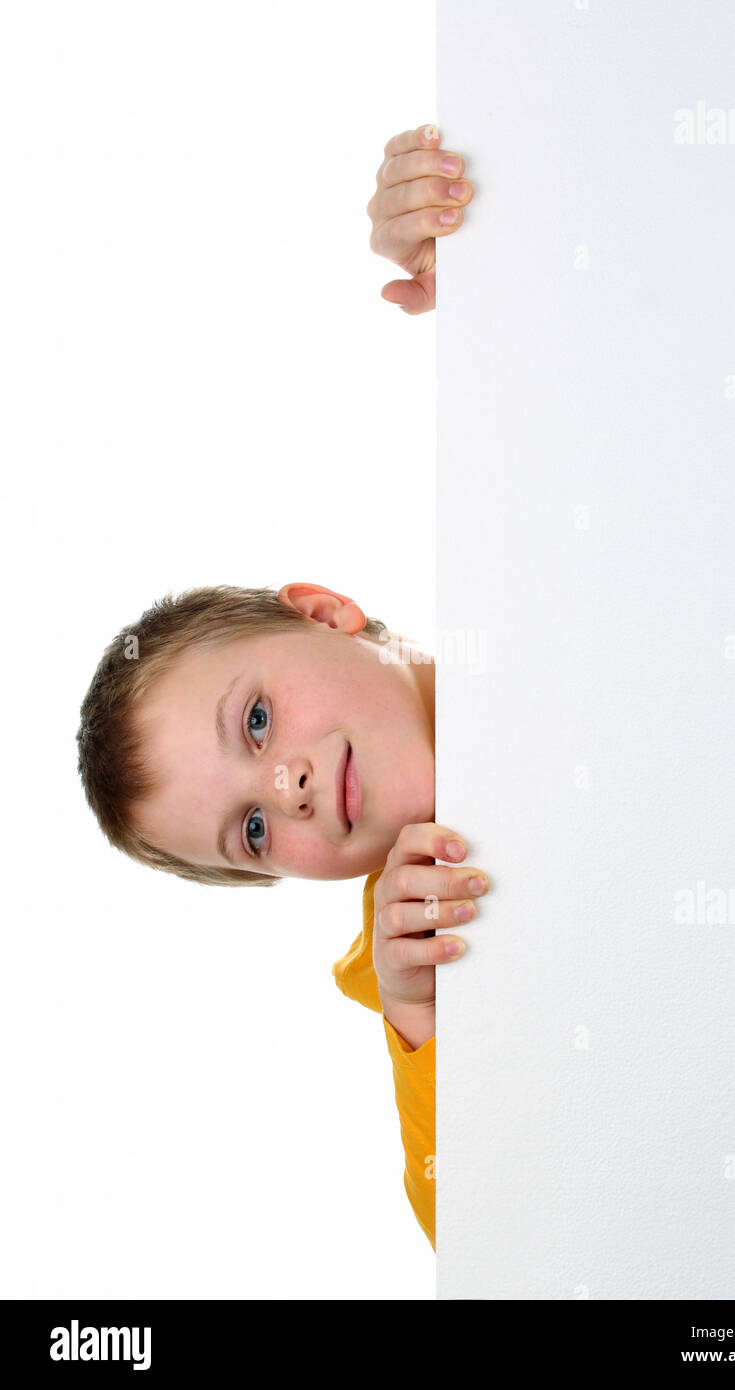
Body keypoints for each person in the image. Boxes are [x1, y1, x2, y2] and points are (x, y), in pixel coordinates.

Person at [76, 124, 486, 1250]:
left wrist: (483, 262)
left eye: (255, 721)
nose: (289, 784)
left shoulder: (517, 564)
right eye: (251, 827)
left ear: (325, 612)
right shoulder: (417, 949)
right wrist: (425, 1022)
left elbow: (619, 418)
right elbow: (478, 1235)